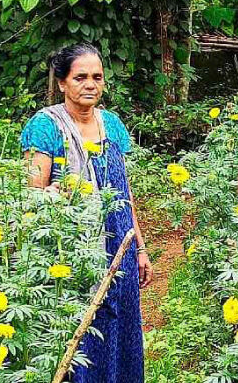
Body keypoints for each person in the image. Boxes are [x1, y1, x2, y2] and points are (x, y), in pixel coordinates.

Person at [20, 43, 151, 383]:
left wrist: (139, 247)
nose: (90, 84)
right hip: (73, 247)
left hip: (119, 244)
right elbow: (32, 193)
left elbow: (124, 192)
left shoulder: (112, 124)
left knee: (120, 322)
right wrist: (56, 194)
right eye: (80, 77)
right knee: (81, 326)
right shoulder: (47, 126)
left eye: (97, 77)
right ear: (62, 82)